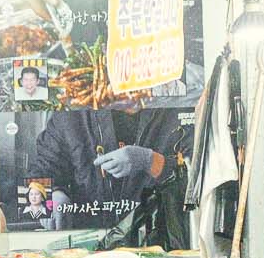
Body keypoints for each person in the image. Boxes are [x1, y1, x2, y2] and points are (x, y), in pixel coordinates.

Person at [24, 100, 191, 234]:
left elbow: (200, 181)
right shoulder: (71, 115)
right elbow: (39, 172)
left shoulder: (177, 106)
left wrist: (151, 161)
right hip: (88, 244)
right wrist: (50, 198)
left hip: (161, 243)